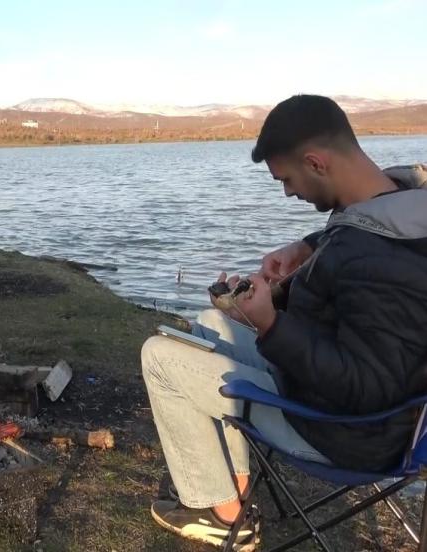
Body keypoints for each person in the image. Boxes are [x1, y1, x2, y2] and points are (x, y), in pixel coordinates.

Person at [141, 95, 427, 550]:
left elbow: (367, 386)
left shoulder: (380, 260)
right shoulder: (400, 202)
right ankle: (233, 490)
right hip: (341, 404)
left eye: (287, 180)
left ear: (315, 162)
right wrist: (309, 249)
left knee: (158, 358)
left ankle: (218, 514)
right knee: (210, 320)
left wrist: (271, 325)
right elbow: (358, 249)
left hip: (345, 431)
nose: (288, 193)